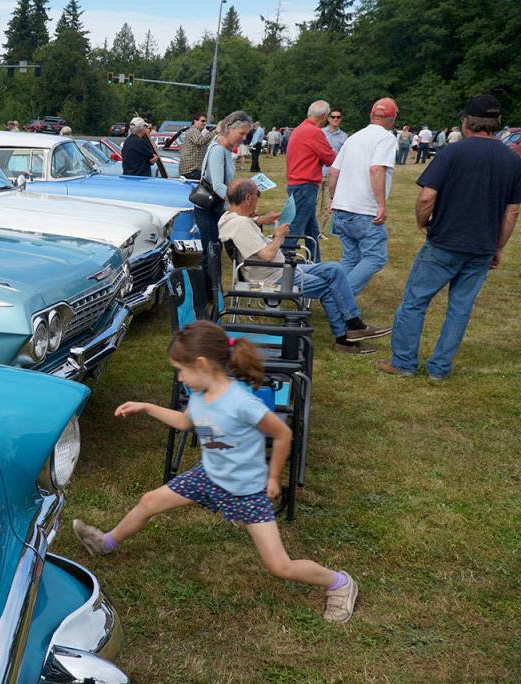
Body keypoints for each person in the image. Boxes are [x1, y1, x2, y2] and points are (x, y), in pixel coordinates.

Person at [71, 321, 359, 624]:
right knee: (150, 501)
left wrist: (273, 478)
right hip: (207, 477)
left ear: (201, 364)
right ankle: (106, 543)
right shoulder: (200, 393)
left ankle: (339, 583)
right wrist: (146, 407)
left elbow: (283, 434)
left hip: (245, 492)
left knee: (280, 566)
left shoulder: (241, 402)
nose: (180, 378)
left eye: (181, 371)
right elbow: (185, 423)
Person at [381, 95, 521, 380]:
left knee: (414, 302)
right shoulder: (512, 159)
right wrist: (498, 246)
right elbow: (512, 211)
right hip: (481, 247)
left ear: (467, 121)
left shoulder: (452, 152)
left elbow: (426, 198)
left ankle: (404, 362)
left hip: (444, 242)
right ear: (495, 124)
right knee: (460, 310)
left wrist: (424, 224)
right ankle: (439, 368)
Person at [219, 178, 392, 353]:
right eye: (257, 195)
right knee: (328, 286)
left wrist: (260, 220)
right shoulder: (241, 226)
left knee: (334, 268)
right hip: (274, 277)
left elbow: (247, 228)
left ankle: (353, 326)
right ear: (248, 198)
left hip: (280, 268)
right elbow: (267, 254)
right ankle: (345, 336)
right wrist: (278, 236)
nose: (258, 198)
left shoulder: (229, 218)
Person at [327, 98, 399, 295]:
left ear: (371, 115)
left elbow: (333, 171)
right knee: (375, 257)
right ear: (393, 118)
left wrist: (334, 199)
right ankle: (338, 299)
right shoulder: (386, 138)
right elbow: (376, 169)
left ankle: (334, 296)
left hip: (342, 208)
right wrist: (381, 205)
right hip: (364, 209)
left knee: (350, 258)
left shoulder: (353, 138)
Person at [194, 110, 252, 282]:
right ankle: (210, 295)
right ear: (229, 128)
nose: (244, 138)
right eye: (242, 133)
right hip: (208, 209)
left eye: (246, 134)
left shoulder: (225, 148)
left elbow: (225, 182)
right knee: (211, 253)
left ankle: (213, 292)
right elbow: (219, 186)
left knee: (215, 251)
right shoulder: (219, 149)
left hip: (216, 208)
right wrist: (238, 205)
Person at [285, 100, 337, 261]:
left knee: (311, 230)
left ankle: (315, 262)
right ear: (323, 117)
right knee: (295, 229)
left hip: (297, 184)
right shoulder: (314, 132)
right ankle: (281, 265)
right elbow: (330, 158)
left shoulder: (300, 129)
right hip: (305, 186)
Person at [318, 107, 349, 236]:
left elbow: (346, 157)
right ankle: (311, 230)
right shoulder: (320, 133)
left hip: (333, 176)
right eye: (333, 117)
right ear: (328, 118)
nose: (335, 119)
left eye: (338, 117)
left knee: (327, 206)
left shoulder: (344, 136)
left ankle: (320, 231)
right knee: (314, 205)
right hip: (318, 173)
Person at [175, 112, 212, 180]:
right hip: (191, 171)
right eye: (202, 121)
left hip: (192, 170)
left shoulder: (196, 132)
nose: (204, 123)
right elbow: (200, 141)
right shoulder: (193, 130)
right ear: (195, 121)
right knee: (210, 181)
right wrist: (215, 132)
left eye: (205, 121)